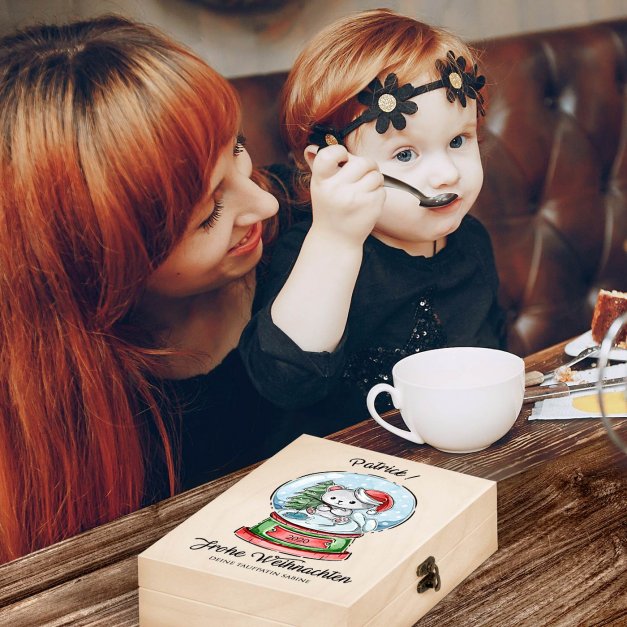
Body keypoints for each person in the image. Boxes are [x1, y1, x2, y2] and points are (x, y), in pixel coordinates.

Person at [0, 15, 281, 562]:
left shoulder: (309, 238)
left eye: (238, 149)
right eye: (209, 213)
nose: (264, 204)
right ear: (94, 261)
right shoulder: (44, 422)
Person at [240, 9, 506, 435]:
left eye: (458, 140)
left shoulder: (471, 240)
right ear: (332, 166)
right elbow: (284, 383)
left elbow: (493, 353)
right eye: (405, 154)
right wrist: (335, 240)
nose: (447, 174)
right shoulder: (315, 252)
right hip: (348, 481)